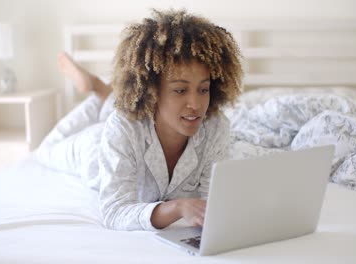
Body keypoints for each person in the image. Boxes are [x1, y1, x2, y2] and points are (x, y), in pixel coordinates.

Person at [37, 9, 242, 231]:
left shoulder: (216, 126)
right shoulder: (121, 128)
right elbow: (115, 211)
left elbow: (210, 203)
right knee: (45, 150)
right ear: (152, 92)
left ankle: (105, 92)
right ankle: (97, 88)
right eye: (181, 90)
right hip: (95, 147)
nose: (196, 104)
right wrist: (176, 208)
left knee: (121, 108)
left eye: (203, 89)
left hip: (141, 119)